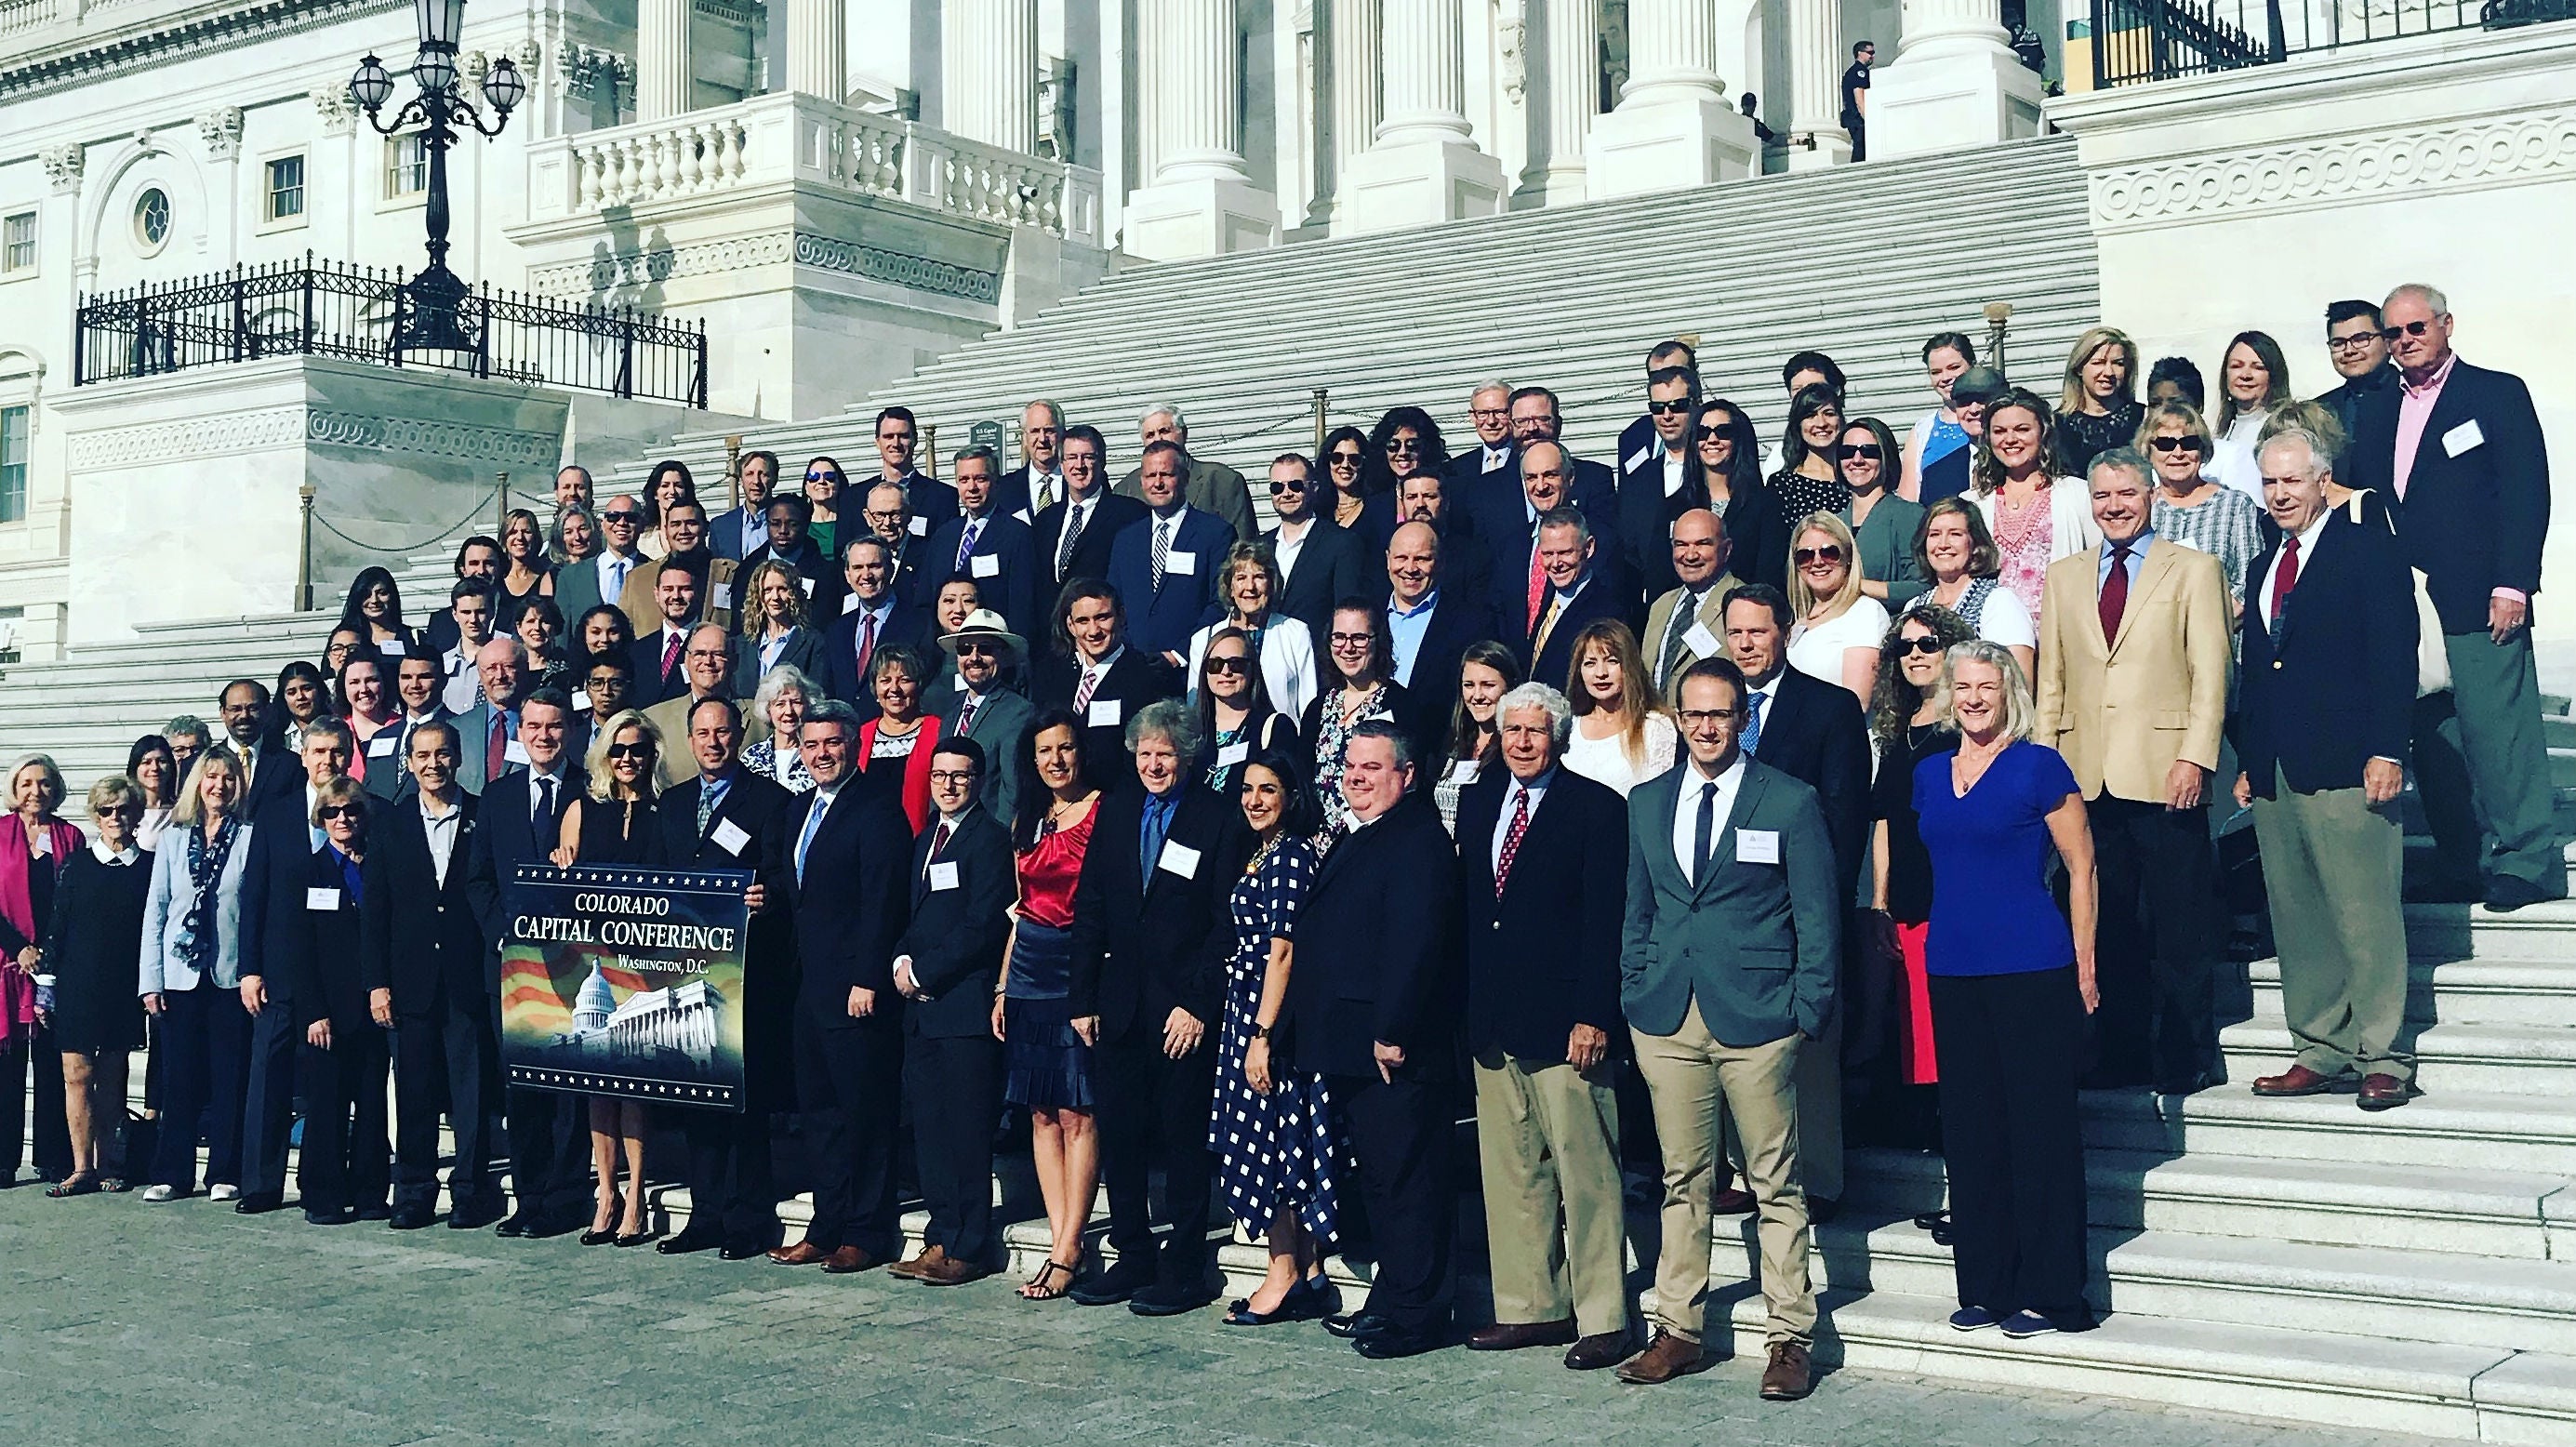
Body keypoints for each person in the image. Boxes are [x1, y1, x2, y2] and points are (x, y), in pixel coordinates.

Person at [1616, 657, 1839, 1398]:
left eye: (1721, 714)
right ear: (1677, 720)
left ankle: (1788, 1338)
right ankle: (1678, 1329)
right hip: (1668, 1016)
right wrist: (1633, 987)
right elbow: (1639, 909)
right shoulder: (1647, 801)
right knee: (1684, 1179)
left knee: (1776, 1182)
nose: (1707, 727)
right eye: (1695, 715)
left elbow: (1816, 914)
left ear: (1743, 717)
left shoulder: (1789, 800)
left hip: (1759, 1018)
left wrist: (1807, 1011)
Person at [2346, 284, 2563, 910]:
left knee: (2499, 734)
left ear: (2445, 325)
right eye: (2394, 332)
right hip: (2406, 603)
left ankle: (2525, 860)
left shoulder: (2495, 393)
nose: (2405, 340)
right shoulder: (2381, 405)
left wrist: (2513, 583)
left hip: (2478, 596)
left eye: (2417, 328)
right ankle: (2461, 861)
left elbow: (2527, 493)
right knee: (2433, 740)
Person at [1913, 641, 2100, 1339]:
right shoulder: (1929, 775)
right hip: (1954, 970)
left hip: (2032, 967)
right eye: (1962, 685)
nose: (1973, 697)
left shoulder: (2038, 765)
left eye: (1986, 685)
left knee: (2040, 1132)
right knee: (1971, 1133)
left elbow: (2082, 867)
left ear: (2008, 691)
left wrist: (2085, 963)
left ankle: (2054, 1295)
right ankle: (1987, 1285)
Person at [2035, 449, 2232, 1095]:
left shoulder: (2193, 569)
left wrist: (2197, 755)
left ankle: (2186, 1052)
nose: (2114, 506)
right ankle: (2119, 1051)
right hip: (2087, 776)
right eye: (2101, 497)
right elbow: (2053, 683)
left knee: (2179, 924)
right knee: (2107, 919)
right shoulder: (2064, 577)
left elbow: (2212, 671)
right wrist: (2044, 772)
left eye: (2126, 493)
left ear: (2151, 495)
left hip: (2165, 771)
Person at [2237, 427, 2420, 1108]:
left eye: (2292, 480)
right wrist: (2253, 758)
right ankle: (2320, 1046)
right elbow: (2259, 669)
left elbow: (2393, 653)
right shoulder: (2263, 564)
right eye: (2270, 482)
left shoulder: (2366, 547)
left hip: (2350, 758)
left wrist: (2388, 748)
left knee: (2363, 911)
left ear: (2322, 483)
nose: (2280, 494)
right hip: (2278, 766)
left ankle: (2384, 1055)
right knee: (2298, 914)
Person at [1457, 684, 1632, 1369]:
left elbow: (1604, 920)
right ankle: (1532, 1306)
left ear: (1558, 736)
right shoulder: (1476, 802)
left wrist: (1595, 1012)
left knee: (1586, 1171)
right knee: (1512, 1173)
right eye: (1512, 731)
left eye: (1535, 731)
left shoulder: (1595, 808)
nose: (1522, 742)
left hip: (1567, 1023)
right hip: (1493, 1022)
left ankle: (1603, 1317)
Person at [1065, 700, 1255, 1315]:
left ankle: (1185, 1265)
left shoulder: (1217, 818)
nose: (1153, 764)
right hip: (1118, 1007)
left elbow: (1227, 926)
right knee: (1119, 1137)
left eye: (1164, 754)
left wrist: (1198, 1005)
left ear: (1187, 756)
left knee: (1181, 1141)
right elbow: (1091, 906)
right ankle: (1132, 1255)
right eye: (1144, 753)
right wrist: (1083, 996)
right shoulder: (1116, 810)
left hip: (1182, 1014)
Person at [1288, 722, 1462, 1361]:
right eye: (1350, 767)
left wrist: (1393, 1031)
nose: (1356, 778)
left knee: (1409, 1182)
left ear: (1408, 775)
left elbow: (1416, 946)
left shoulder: (1417, 841)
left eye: (1373, 768)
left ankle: (1418, 1316)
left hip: (1392, 1048)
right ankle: (1393, 1299)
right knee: (1386, 1183)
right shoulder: (1367, 835)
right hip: (1350, 1043)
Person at [1723, 584, 1870, 1210]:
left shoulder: (1828, 708)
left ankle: (1817, 1176)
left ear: (1784, 631)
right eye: (1736, 633)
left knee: (1806, 1048)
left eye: (1758, 631)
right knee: (1732, 1043)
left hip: (1795, 907)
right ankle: (1739, 1174)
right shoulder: (1712, 708)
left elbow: (1844, 819)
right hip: (1727, 907)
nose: (1747, 644)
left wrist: (1814, 908)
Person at [769, 699, 915, 1274]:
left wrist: (867, 978)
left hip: (855, 987)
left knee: (865, 1112)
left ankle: (866, 1230)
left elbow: (882, 902)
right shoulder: (800, 808)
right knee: (821, 1112)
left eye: (832, 743)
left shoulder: (876, 809)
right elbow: (796, 886)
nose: (821, 754)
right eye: (811, 745)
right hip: (808, 985)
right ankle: (826, 1224)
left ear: (855, 745)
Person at [653, 696, 797, 1260]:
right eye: (703, 734)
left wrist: (769, 898)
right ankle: (706, 1212)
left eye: (723, 732)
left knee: (744, 1101)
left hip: (745, 975)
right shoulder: (673, 803)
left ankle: (749, 1216)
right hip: (682, 975)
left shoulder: (772, 801)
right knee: (697, 1099)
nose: (713, 742)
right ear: (690, 741)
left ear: (739, 736)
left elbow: (788, 879)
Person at [1208, 749, 1343, 1326]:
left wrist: (1261, 1035)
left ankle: (1281, 1269)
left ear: (1291, 795)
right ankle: (1307, 1270)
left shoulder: (1290, 855)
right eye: (1247, 790)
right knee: (1274, 1144)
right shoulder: (1259, 852)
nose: (1255, 801)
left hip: (1271, 1019)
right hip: (1248, 1010)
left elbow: (1282, 951)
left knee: (1276, 1147)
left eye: (1267, 789)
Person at [361, 722, 505, 1231]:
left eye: (442, 754)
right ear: (409, 762)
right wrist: (377, 982)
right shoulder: (390, 823)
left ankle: (470, 1190)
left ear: (458, 756)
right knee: (415, 1093)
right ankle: (415, 1192)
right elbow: (375, 910)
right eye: (422, 755)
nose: (432, 764)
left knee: (471, 1093)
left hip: (467, 977)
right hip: (409, 982)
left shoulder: (483, 815)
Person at [458, 691, 591, 1241]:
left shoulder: (593, 791)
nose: (543, 736)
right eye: (533, 726)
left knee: (569, 1091)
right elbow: (479, 878)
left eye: (553, 727)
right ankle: (529, 1196)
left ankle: (565, 1198)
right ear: (521, 731)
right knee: (522, 1088)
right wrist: (501, 937)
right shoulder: (499, 796)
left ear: (568, 731)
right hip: (513, 969)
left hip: (577, 967)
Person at [881, 737, 1012, 1285]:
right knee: (930, 1129)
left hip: (962, 1008)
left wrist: (926, 973)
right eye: (940, 776)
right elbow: (912, 916)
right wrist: (899, 962)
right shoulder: (924, 839)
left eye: (960, 776)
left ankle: (970, 1244)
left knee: (965, 1131)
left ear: (978, 781)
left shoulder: (989, 840)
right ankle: (940, 1234)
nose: (949, 785)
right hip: (922, 1012)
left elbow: (983, 925)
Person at [996, 710, 1106, 1300]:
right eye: (1044, 751)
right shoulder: (1028, 818)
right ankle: (1063, 1236)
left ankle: (1070, 1244)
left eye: (1065, 748)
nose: (1056, 760)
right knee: (1041, 1109)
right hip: (1029, 970)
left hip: (1077, 968)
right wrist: (1001, 982)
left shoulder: (1103, 811)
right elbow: (1021, 905)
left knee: (1077, 1110)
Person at [549, 710, 666, 1246]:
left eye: (638, 750)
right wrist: (560, 865)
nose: (627, 759)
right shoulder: (581, 808)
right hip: (593, 954)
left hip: (647, 959)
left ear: (652, 754)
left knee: (634, 1083)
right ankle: (605, 1192)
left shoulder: (669, 808)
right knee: (596, 1084)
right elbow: (563, 875)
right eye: (618, 749)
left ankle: (636, 1195)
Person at [234, 716, 356, 1215]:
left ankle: (320, 1182)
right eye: (319, 751)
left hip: (337, 973)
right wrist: (249, 968)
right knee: (269, 1076)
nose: (328, 761)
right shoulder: (277, 814)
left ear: (349, 757)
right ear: (303, 757)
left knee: (327, 1083)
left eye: (337, 752)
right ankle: (261, 1182)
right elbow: (253, 894)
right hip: (280, 968)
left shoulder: (361, 812)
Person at [1866, 606, 1979, 1138]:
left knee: (1952, 1021)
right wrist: (1881, 902)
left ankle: (1959, 1124)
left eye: (1927, 644)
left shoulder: (1968, 728)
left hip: (1956, 894)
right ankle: (1930, 1122)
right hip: (1909, 897)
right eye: (1904, 647)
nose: (1914, 654)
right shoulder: (1897, 730)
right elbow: (1886, 821)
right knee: (1918, 1021)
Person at [138, 750, 255, 1203]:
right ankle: (172, 1172)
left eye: (228, 777)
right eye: (211, 777)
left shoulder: (249, 836)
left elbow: (251, 909)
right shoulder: (172, 840)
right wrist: (151, 979)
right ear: (197, 784)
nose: (219, 786)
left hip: (229, 975)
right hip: (179, 975)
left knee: (229, 1078)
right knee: (178, 1079)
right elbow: (157, 910)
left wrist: (254, 971)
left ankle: (224, 1171)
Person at [272, 777, 388, 1225]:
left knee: (372, 1102)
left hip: (373, 1005)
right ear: (320, 819)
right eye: (332, 812)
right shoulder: (307, 871)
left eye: (351, 810)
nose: (343, 819)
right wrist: (313, 1011)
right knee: (327, 1104)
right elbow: (298, 949)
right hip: (326, 1010)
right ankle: (321, 1194)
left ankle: (371, 1192)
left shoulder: (379, 866)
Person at [37, 777, 146, 1196]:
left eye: (122, 809)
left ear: (136, 814)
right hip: (78, 985)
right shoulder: (77, 865)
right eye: (106, 811)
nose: (115, 818)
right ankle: (81, 1168)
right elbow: (57, 928)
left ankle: (109, 1165)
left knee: (113, 1075)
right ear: (95, 816)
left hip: (124, 987)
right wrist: (46, 988)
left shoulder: (148, 867)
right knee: (76, 1074)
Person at [0, 754, 79, 1188]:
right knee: (7, 1068)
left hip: (53, 968)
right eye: (27, 783)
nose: (36, 792)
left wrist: (46, 952)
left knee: (51, 1067)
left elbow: (75, 902)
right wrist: (20, 948)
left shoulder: (70, 837)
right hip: (7, 966)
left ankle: (52, 1156)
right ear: (15, 788)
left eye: (45, 783)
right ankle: (2, 1159)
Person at [1972, 389, 2099, 622]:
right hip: (1994, 636)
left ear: (2043, 433)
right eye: (1999, 431)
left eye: (2022, 429)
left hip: (2061, 630)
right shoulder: (1973, 503)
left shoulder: (2077, 494)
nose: (2010, 439)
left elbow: (2100, 564)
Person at [1108, 440, 1237, 666]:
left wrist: (1179, 654)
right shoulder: (1126, 539)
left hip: (1190, 668)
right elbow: (1113, 602)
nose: (1158, 483)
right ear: (1141, 481)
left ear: (1184, 478)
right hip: (1133, 666)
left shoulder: (1215, 534)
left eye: (1166, 474)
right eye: (1150, 476)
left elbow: (1221, 603)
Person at [2137, 401, 2263, 617]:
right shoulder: (2141, 508)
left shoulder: (2235, 506)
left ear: (2202, 449)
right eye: (2166, 444)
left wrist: (2203, 626)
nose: (2178, 453)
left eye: (2189, 443)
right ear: (2148, 451)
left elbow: (2249, 582)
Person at [1302, 602, 1412, 828]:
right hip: (1319, 842)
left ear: (1377, 641)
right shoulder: (1318, 706)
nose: (1348, 647)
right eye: (1339, 637)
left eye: (1359, 638)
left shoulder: (1400, 705)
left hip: (1375, 838)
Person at [1382, 520, 1495, 737]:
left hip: (1439, 749)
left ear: (1441, 563)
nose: (1410, 568)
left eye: (1422, 559)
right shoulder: (1370, 617)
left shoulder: (1471, 624)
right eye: (1401, 558)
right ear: (1388, 560)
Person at [1186, 544, 1318, 723]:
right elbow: (1195, 707)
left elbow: (1309, 702)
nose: (1250, 587)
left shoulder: (1295, 633)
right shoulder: (1204, 639)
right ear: (1229, 587)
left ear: (1271, 584)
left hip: (1279, 743)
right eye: (1241, 578)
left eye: (1259, 577)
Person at [1907, 496, 2037, 677]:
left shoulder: (1999, 603)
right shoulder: (1914, 606)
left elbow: (2018, 682)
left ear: (1975, 544)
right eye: (1935, 534)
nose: (1943, 544)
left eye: (1955, 534)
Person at [933, 608, 1037, 826]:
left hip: (988, 837)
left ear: (1005, 655)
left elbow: (1013, 790)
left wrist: (998, 842)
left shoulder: (1018, 712)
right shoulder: (950, 712)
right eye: (965, 649)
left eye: (985, 648)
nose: (974, 658)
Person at [1613, 363, 1706, 604]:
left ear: (1697, 403)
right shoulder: (1638, 480)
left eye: (1678, 406)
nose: (1667, 415)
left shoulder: (1716, 471)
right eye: (1657, 407)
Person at [643, 623, 773, 790]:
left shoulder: (762, 719)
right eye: (699, 654)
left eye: (718, 654)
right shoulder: (653, 720)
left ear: (735, 662)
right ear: (687, 661)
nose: (708, 661)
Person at [927, 445, 1041, 635]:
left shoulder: (1017, 534)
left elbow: (1023, 606)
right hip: (944, 652)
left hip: (993, 649)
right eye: (964, 480)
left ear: (996, 482)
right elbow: (927, 598)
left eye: (980, 479)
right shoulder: (943, 536)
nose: (972, 488)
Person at [1786, 511, 1892, 708]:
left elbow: (1856, 702)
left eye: (1829, 552)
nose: (1817, 562)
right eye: (1805, 555)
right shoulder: (1799, 621)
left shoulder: (1865, 613)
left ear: (1848, 557)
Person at [1032, 425, 1146, 608]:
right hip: (1055, 632)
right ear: (1061, 465)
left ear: (1102, 462)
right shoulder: (1046, 519)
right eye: (1071, 458)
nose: (1079, 465)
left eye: (1088, 457)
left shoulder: (1130, 514)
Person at [1560, 619, 1676, 797]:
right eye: (1590, 663)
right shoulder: (1570, 726)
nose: (1601, 673)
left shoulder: (1654, 727)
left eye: (1612, 661)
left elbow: (1658, 801)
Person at [1116, 404, 1258, 542]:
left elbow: (1245, 547)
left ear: (1184, 434)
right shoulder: (1126, 489)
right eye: (1150, 435)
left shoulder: (1223, 481)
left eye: (1164, 431)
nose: (1158, 439)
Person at [1641, 510, 1743, 703]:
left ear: (1726, 549)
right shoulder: (1661, 606)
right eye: (1681, 545)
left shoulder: (1740, 603)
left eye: (1702, 544)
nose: (1690, 555)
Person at [1262, 452, 1366, 636]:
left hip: (1317, 656)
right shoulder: (1260, 546)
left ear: (1314, 488)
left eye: (1295, 486)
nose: (1286, 494)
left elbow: (1348, 611)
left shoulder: (1342, 543)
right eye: (1277, 487)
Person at [823, 536, 929, 707]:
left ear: (890, 570)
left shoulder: (920, 624)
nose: (866, 575)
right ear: (848, 575)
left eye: (874, 566)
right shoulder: (836, 630)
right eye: (857, 567)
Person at [1525, 505, 1624, 690]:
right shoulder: (1548, 601)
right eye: (1547, 554)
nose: (1556, 564)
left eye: (1565, 553)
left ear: (1588, 548)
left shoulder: (1607, 612)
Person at [1693, 399, 1786, 592]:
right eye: (1703, 432)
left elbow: (1769, 574)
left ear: (1738, 439)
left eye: (1723, 431)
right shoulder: (1677, 504)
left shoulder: (1765, 503)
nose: (1712, 440)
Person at [1196, 626, 1296, 798]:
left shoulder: (1277, 729)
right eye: (1215, 664)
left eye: (1236, 664)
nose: (1225, 672)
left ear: (1252, 669)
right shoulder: (1191, 729)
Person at [1433, 643, 1522, 834]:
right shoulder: (1452, 741)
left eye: (1488, 685)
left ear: (1510, 687)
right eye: (1469, 685)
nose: (1477, 695)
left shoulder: (1518, 746)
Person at [1839, 417, 1926, 606]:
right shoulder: (1834, 523)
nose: (1857, 460)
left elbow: (1924, 586)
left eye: (1869, 452)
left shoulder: (1908, 515)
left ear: (1885, 455)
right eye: (1847, 452)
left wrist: (1856, 586)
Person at [620, 500, 739, 637]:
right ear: (665, 530)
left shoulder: (731, 573)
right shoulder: (638, 578)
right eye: (676, 524)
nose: (683, 531)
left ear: (706, 528)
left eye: (691, 523)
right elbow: (622, 631)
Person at [856, 646, 943, 834]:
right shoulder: (862, 734)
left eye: (904, 680)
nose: (894, 689)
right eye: (885, 680)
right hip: (868, 840)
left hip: (919, 841)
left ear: (918, 685)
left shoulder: (938, 730)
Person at [2211, 331, 2293, 503]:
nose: (2246, 375)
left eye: (2258, 367)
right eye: (2236, 366)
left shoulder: (2283, 428)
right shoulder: (2222, 431)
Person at [734, 557, 830, 697]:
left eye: (782, 589)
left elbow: (816, 693)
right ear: (757, 596)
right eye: (767, 590)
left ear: (794, 593)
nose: (775, 597)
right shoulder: (742, 644)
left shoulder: (813, 643)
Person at [2056, 327, 2146, 477]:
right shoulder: (2056, 425)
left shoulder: (2143, 418)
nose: (2109, 372)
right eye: (2099, 363)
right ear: (2079, 368)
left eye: (2118, 363)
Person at [1901, 333, 1979, 501]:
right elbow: (1908, 499)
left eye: (1954, 368)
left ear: (1972, 365)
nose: (1945, 378)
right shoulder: (1922, 430)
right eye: (1936, 372)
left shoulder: (1991, 419)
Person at [2316, 299, 2400, 440]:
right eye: (2338, 343)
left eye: (2361, 339)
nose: (2349, 350)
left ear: (2387, 342)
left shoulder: (2412, 398)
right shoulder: (2319, 411)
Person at [1769, 384, 1849, 526]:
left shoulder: (1856, 477)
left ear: (1840, 420)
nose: (1821, 423)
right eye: (1810, 416)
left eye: (1829, 413)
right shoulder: (1783, 484)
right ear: (1798, 426)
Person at [560, 496, 645, 625]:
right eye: (613, 517)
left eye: (630, 517)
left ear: (642, 525)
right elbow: (562, 633)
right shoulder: (570, 576)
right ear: (603, 525)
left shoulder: (655, 572)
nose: (621, 523)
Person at [743, 664, 820, 792]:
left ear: (808, 706)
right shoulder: (752, 757)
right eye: (780, 704)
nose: (789, 711)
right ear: (768, 709)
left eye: (796, 702)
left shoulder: (816, 755)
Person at [436, 579, 501, 717]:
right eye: (466, 612)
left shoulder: (505, 660)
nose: (473, 619)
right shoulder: (442, 662)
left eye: (480, 612)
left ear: (492, 613)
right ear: (455, 615)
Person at [1443, 378, 1519, 495]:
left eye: (1500, 412)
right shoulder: (1454, 470)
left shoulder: (1527, 461)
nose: (1491, 421)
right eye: (1483, 413)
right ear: (1473, 417)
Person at [336, 565, 422, 659]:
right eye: (367, 594)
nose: (374, 600)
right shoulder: (344, 638)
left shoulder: (412, 638)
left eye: (382, 593)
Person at [1000, 399, 1065, 519]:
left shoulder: (1080, 482)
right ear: (1024, 438)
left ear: (1061, 434)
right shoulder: (1003, 488)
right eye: (1034, 431)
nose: (1042, 439)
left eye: (1049, 431)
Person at [494, 508, 555, 631]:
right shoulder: (496, 578)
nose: (519, 537)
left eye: (526, 531)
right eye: (512, 532)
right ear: (504, 538)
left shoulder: (548, 577)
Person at [711, 448, 778, 562]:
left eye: (763, 474)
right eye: (749, 474)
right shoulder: (720, 527)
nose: (756, 481)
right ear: (741, 480)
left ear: (774, 480)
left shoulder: (788, 523)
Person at [635, 459, 698, 561]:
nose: (672, 491)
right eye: (665, 485)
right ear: (655, 493)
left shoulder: (699, 534)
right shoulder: (643, 539)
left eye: (678, 486)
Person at [801, 455, 853, 563]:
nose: (821, 481)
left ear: (839, 483)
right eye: (814, 477)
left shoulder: (853, 521)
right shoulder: (799, 525)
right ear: (806, 487)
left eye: (829, 477)